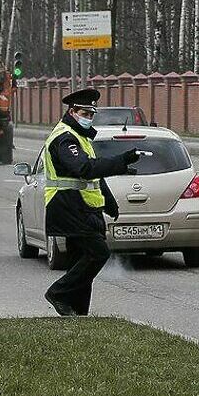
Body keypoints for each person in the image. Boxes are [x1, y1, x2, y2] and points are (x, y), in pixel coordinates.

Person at [43, 88, 140, 316]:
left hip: (86, 207)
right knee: (98, 253)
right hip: (69, 206)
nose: (88, 118)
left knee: (81, 259)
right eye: (84, 113)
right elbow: (84, 168)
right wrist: (120, 161)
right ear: (72, 111)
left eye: (91, 114)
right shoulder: (65, 138)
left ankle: (78, 312)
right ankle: (58, 293)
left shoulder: (80, 137)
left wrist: (109, 202)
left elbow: (94, 175)